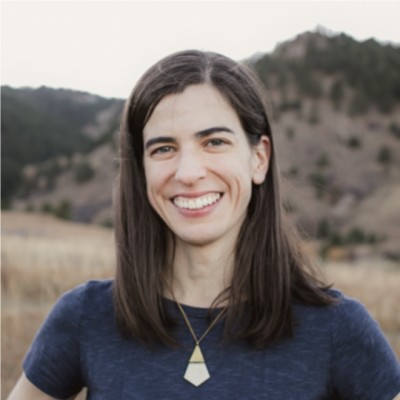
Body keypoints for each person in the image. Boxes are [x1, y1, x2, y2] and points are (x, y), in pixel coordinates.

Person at [8, 50, 400, 400]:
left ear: (259, 159)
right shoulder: (86, 317)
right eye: (164, 148)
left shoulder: (336, 328)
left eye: (214, 142)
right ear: (141, 170)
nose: (189, 172)